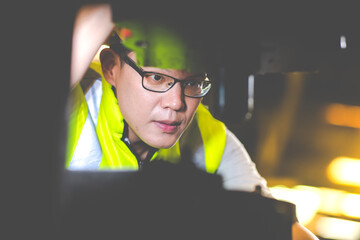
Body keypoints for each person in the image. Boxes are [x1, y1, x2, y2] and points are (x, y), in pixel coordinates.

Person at [67, 4, 319, 240]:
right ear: (111, 68)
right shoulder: (71, 106)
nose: (176, 103)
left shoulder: (209, 138)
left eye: (193, 82)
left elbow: (277, 228)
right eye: (156, 77)